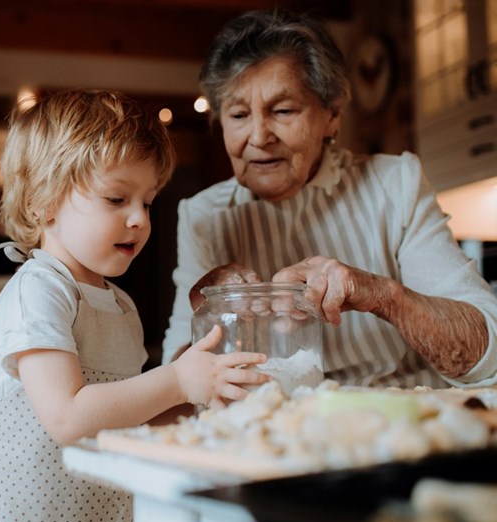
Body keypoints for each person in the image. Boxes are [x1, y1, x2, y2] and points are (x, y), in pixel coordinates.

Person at [0, 89, 270, 522]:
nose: (139, 219)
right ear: (44, 201)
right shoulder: (39, 291)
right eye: (117, 199)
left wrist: (204, 390)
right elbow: (67, 416)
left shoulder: (120, 305)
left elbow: (129, 415)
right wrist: (178, 380)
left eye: (147, 201)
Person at [162, 9, 497, 389]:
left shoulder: (393, 183)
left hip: (402, 412)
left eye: (283, 110)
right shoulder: (204, 215)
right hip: (277, 419)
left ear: (332, 115)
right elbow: (176, 383)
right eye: (239, 115)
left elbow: (487, 356)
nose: (258, 137)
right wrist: (209, 311)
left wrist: (381, 294)